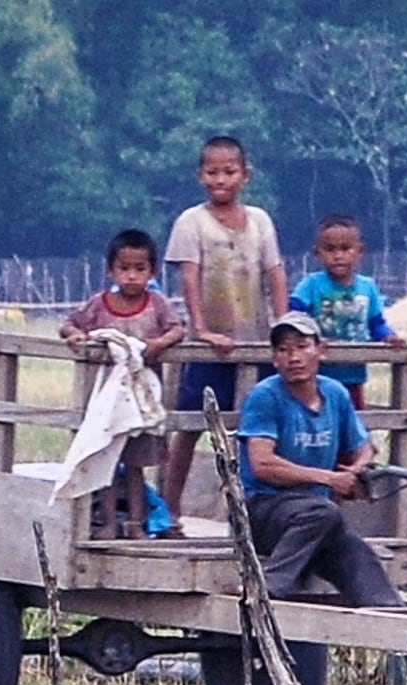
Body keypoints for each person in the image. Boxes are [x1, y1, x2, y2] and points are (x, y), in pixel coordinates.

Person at [161, 135, 289, 519]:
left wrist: (283, 327)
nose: (221, 180)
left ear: (245, 175)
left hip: (256, 339)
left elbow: (275, 274)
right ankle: (169, 509)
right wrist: (200, 330)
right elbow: (190, 278)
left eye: (229, 172)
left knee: (261, 429)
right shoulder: (192, 222)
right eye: (213, 172)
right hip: (212, 344)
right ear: (201, 176)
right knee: (190, 425)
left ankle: (258, 512)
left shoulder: (260, 221)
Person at [237, 312, 403, 607]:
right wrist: (329, 479)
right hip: (263, 510)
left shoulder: (335, 394)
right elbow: (262, 464)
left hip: (317, 517)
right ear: (274, 359)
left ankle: (392, 619)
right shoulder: (265, 396)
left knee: (359, 555)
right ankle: (268, 587)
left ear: (320, 350)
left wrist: (356, 470)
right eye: (284, 350)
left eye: (302, 347)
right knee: (323, 513)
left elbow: (365, 447)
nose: (294, 358)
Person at [60, 228, 185, 538]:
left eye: (140, 269)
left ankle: (135, 524)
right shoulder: (99, 305)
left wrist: (158, 344)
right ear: (111, 270)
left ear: (152, 271)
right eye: (124, 268)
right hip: (107, 401)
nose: (131, 276)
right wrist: (75, 337)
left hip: (142, 401)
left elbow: (177, 329)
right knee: (105, 460)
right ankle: (109, 523)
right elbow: (69, 324)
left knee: (136, 464)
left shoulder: (156, 305)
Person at [288, 214, 406, 410]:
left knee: (352, 427)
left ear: (359, 252)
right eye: (330, 249)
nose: (338, 255)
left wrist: (389, 337)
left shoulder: (367, 287)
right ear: (317, 253)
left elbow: (376, 324)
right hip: (316, 376)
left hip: (353, 375)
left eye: (345, 248)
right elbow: (293, 316)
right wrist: (311, 338)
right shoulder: (311, 285)